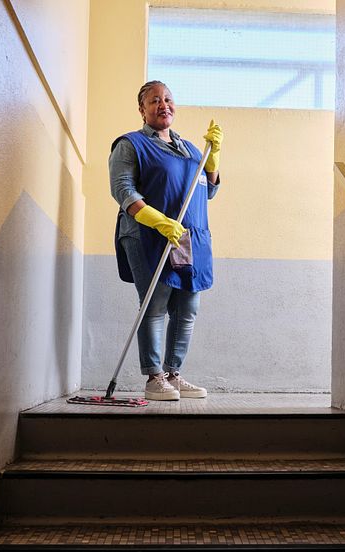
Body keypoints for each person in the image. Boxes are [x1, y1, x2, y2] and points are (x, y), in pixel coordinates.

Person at [109, 81, 223, 401]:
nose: (163, 104)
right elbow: (123, 190)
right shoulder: (130, 145)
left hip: (187, 237)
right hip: (147, 233)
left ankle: (173, 374)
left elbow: (209, 190)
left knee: (187, 306)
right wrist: (157, 220)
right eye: (154, 100)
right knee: (155, 302)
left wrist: (213, 159)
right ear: (142, 109)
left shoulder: (192, 150)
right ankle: (154, 377)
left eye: (168, 99)